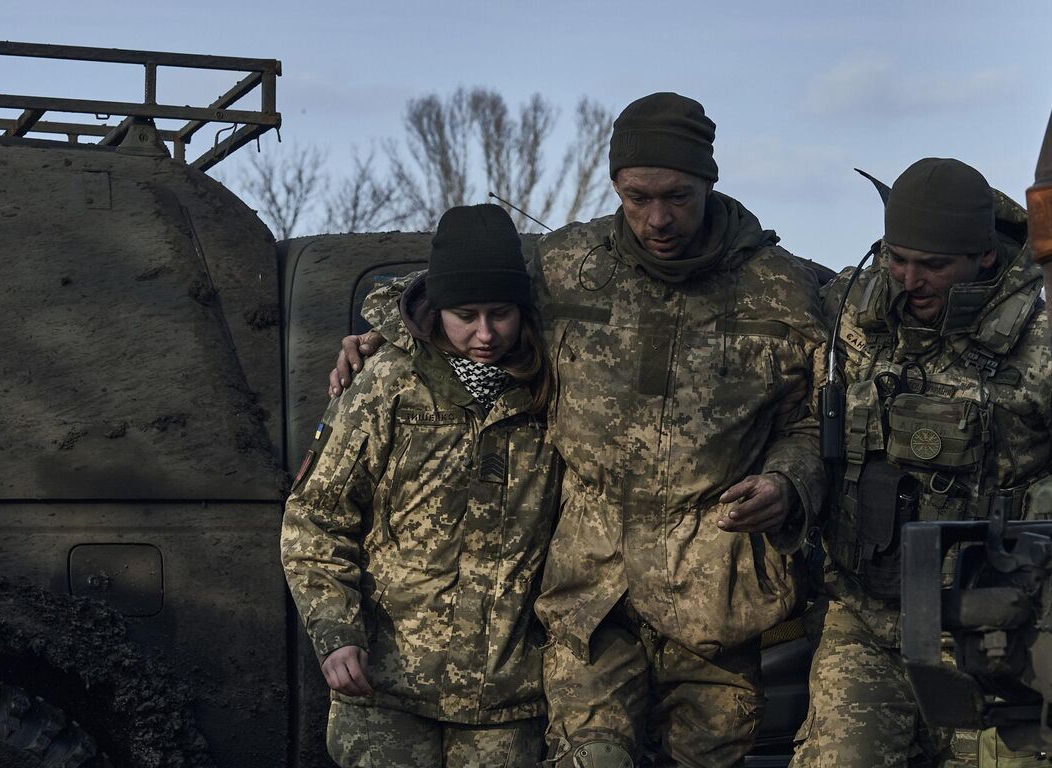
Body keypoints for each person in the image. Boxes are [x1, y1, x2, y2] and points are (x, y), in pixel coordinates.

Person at [333, 93, 826, 767]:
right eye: (636, 197)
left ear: (710, 181)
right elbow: (453, 294)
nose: (658, 219)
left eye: (678, 197)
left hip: (714, 595)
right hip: (590, 595)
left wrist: (786, 481)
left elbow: (813, 420)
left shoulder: (783, 291)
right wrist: (383, 340)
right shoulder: (565, 265)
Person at [792, 159, 1052, 767]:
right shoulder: (851, 323)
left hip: (994, 635)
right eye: (897, 258)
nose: (908, 280)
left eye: (933, 266)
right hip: (866, 621)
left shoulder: (1048, 349)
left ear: (984, 257)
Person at [283, 203, 561, 768]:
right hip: (388, 693)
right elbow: (316, 518)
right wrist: (335, 630)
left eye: (501, 313)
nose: (485, 334)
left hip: (507, 698)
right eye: (466, 314)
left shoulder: (557, 383)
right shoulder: (387, 385)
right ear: (437, 309)